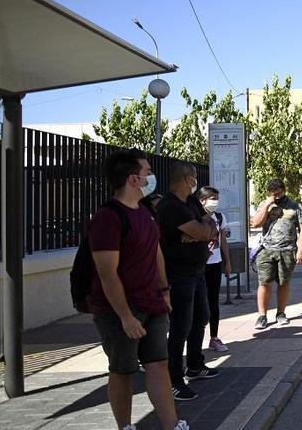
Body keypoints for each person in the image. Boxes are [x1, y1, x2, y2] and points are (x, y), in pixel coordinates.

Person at [87, 149, 188, 430]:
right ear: (133, 179)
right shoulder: (108, 217)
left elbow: (155, 252)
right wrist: (125, 317)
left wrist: (164, 290)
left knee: (158, 365)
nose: (151, 177)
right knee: (123, 370)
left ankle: (172, 425)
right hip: (120, 310)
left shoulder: (145, 212)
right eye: (147, 172)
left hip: (152, 303)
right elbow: (107, 273)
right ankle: (125, 426)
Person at [157, 163, 220, 401]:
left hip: (197, 271)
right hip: (178, 274)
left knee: (201, 317)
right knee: (180, 326)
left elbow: (211, 228)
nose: (196, 182)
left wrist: (198, 234)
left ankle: (195, 364)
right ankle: (174, 379)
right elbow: (205, 232)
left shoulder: (191, 202)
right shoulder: (171, 207)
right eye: (194, 178)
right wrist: (202, 232)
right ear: (185, 179)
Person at [250, 179, 302, 330]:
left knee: (283, 282)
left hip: (287, 250)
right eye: (272, 193)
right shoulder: (265, 204)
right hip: (266, 250)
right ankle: (262, 316)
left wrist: (301, 250)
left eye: (278, 193)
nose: (276, 196)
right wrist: (267, 205)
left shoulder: (295, 206)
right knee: (264, 283)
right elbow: (255, 223)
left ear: (283, 190)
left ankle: (281, 313)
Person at [198, 186, 232, 353]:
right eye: (212, 198)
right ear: (202, 200)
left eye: (216, 198)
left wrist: (227, 262)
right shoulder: (195, 217)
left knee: (213, 301)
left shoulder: (219, 217)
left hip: (215, 262)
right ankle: (196, 337)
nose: (215, 201)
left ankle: (214, 337)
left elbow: (223, 241)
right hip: (199, 264)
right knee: (199, 303)